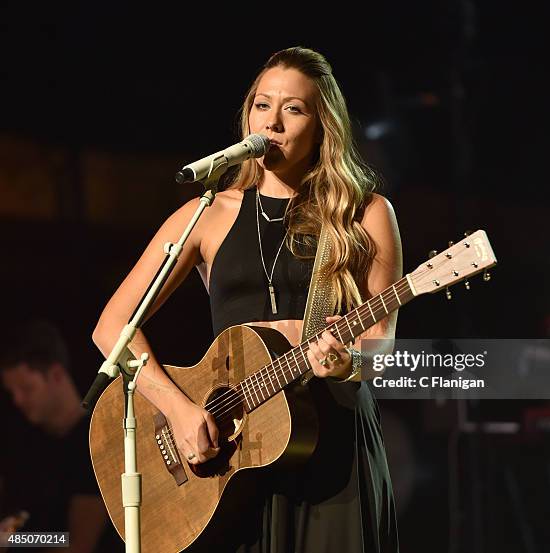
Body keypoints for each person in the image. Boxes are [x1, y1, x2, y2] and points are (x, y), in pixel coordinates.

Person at [93, 46, 402, 552]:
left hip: (330, 447)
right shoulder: (207, 214)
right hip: (232, 458)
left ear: (323, 125)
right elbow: (112, 327)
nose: (274, 122)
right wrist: (177, 408)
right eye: (263, 105)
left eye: (294, 109)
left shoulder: (362, 213)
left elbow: (380, 347)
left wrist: (346, 362)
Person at [0, 320, 120, 552]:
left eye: (26, 388)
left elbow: (78, 543)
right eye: (11, 392)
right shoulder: (25, 445)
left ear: (56, 375)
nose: (18, 400)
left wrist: (13, 540)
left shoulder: (92, 443)